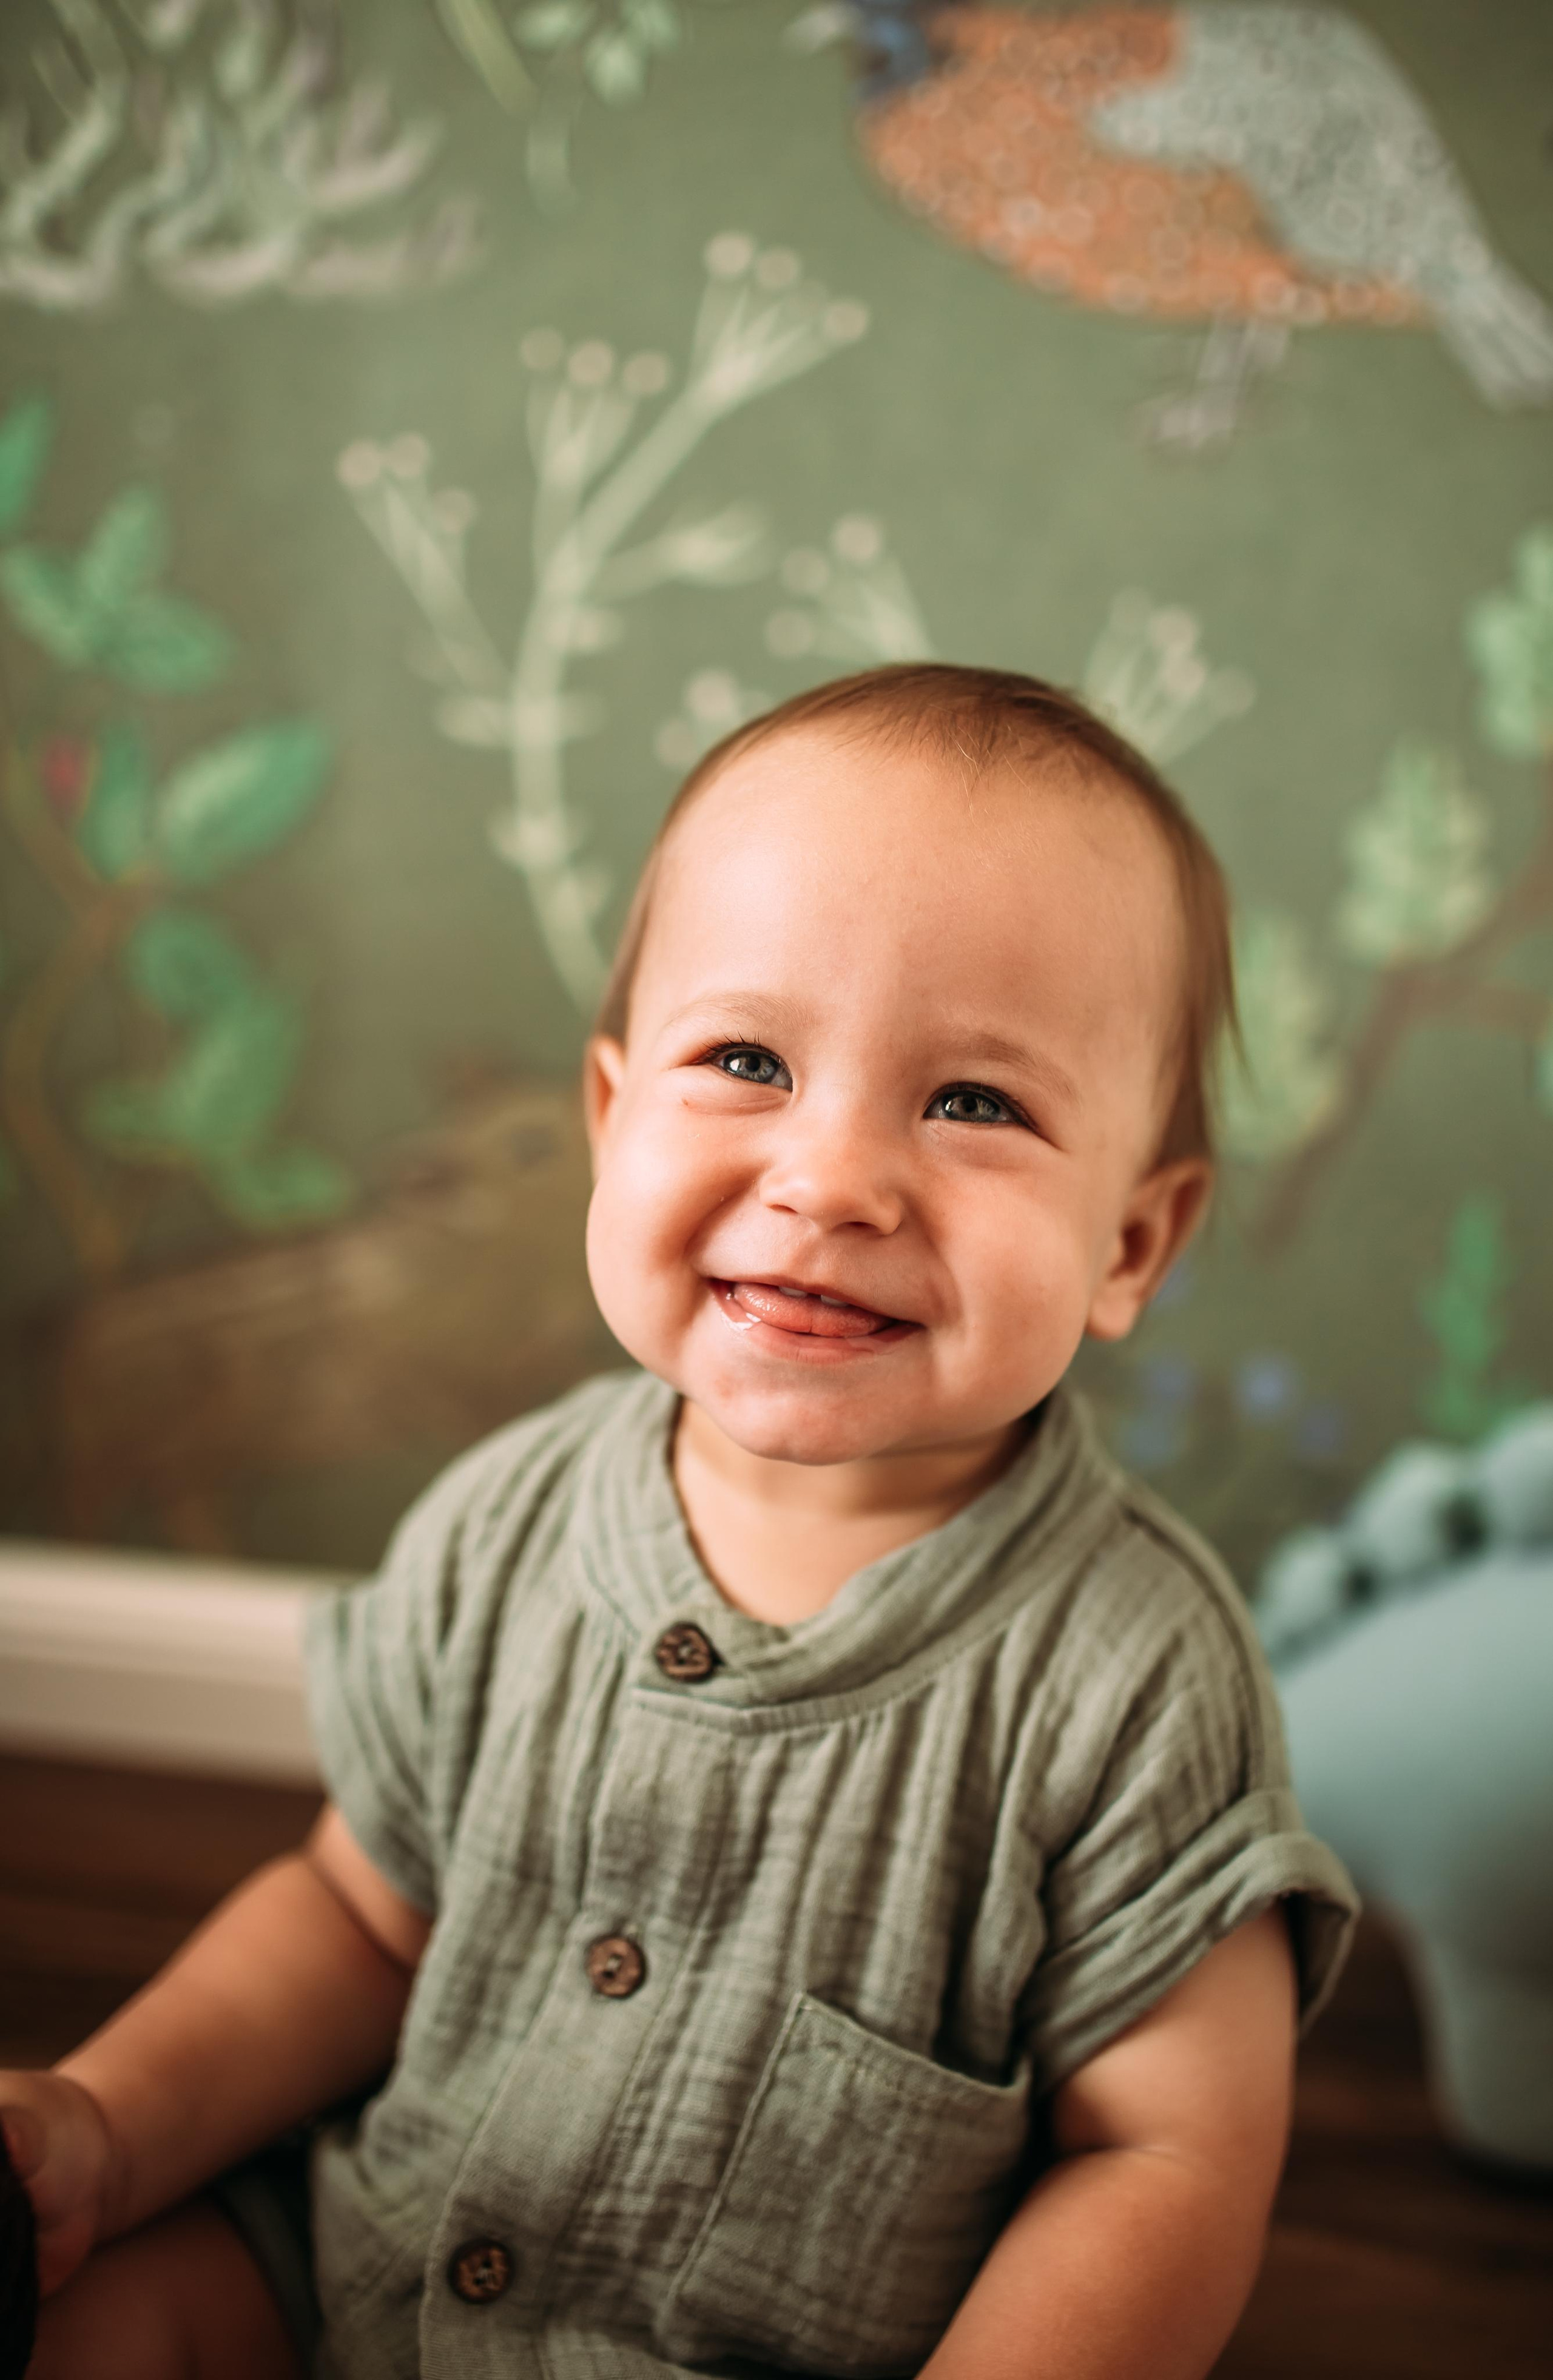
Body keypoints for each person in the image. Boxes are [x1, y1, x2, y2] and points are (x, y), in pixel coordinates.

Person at [5, 664, 1357, 2380]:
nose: (833, 1177)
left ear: (1131, 1246)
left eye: (974, 1103)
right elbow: (360, 1918)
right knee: (98, 2314)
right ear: (607, 1115)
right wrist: (112, 2123)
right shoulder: (511, 1522)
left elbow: (1162, 2160)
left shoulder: (1133, 1681)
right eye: (745, 1059)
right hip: (369, 2272)